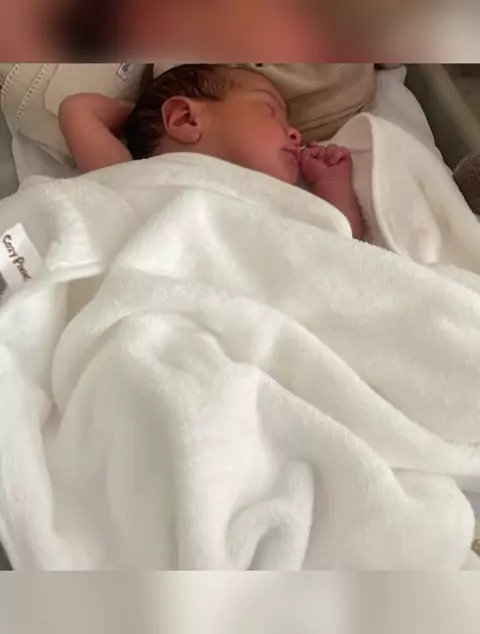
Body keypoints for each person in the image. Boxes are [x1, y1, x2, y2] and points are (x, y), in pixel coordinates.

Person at [59, 64, 364, 239]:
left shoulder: (275, 202)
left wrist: (331, 184)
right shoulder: (135, 179)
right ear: (186, 119)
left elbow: (337, 245)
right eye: (269, 109)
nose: (296, 133)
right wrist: (147, 116)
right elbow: (77, 110)